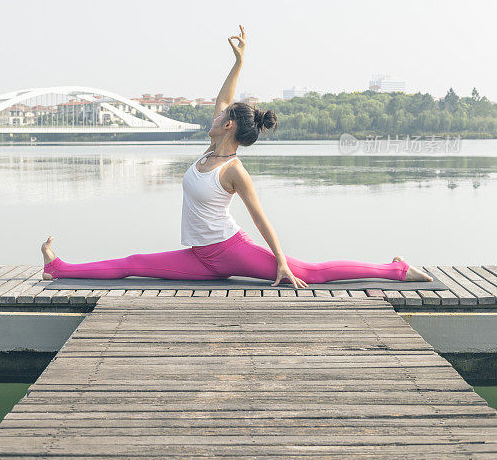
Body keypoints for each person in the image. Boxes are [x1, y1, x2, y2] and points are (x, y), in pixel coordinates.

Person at [41, 24, 431, 287]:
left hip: (232, 253)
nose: (214, 113)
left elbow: (261, 219)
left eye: (220, 115)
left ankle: (395, 269)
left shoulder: (233, 170)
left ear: (228, 126)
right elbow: (227, 98)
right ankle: (57, 267)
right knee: (133, 263)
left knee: (310, 272)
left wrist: (280, 261)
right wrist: (239, 63)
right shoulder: (210, 150)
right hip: (199, 257)